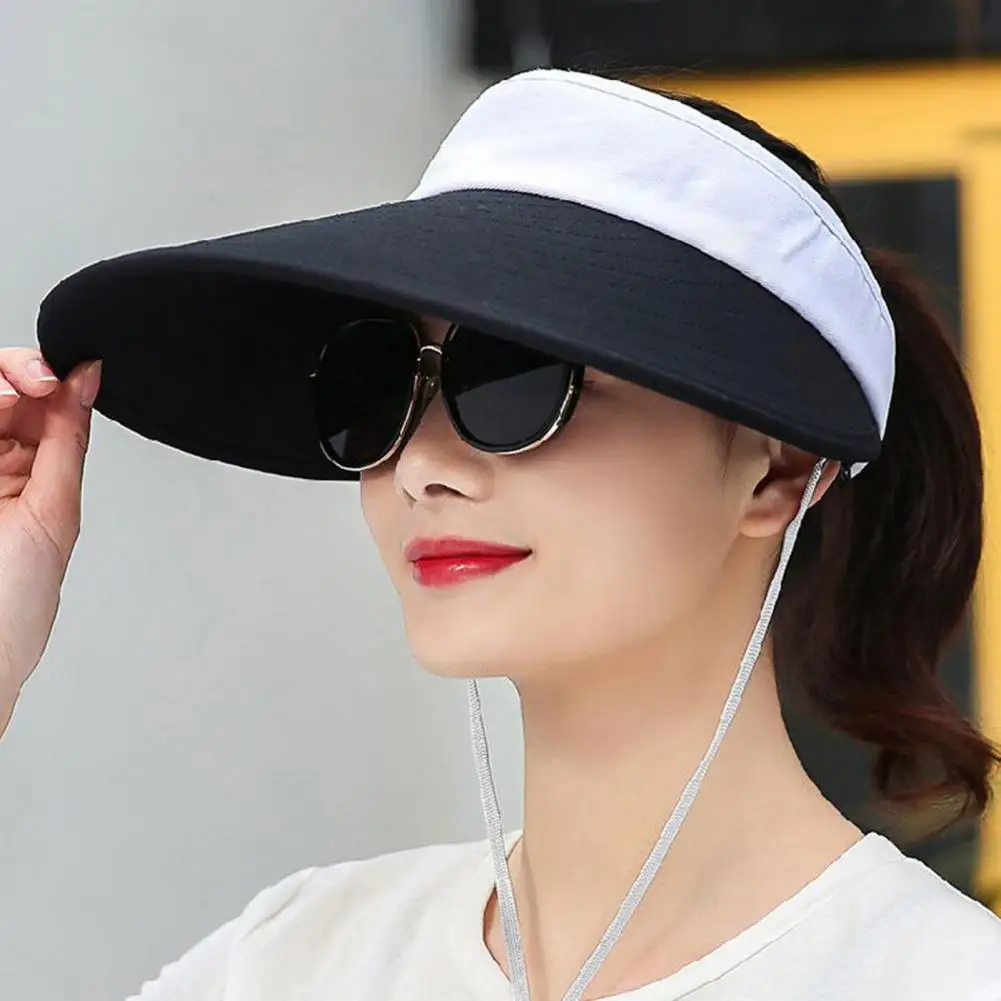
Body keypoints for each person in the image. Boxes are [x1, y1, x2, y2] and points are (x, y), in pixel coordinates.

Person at [3, 68, 1001, 1001]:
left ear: (776, 468)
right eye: (377, 386)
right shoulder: (288, 961)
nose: (421, 465)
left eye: (514, 377)